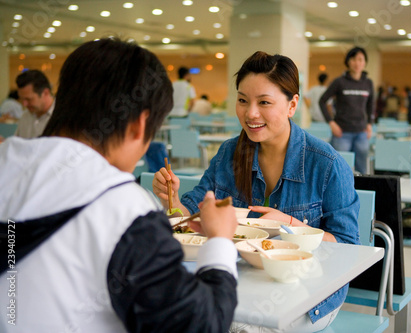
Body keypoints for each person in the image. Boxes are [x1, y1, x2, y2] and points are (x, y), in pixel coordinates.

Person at [0, 38, 239, 333]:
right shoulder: (126, 209)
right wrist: (220, 243)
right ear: (140, 125)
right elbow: (202, 325)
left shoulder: (7, 157)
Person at [153, 51, 360, 332]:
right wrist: (173, 199)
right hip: (245, 281)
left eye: (264, 102)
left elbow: (348, 248)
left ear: (292, 105)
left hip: (309, 295)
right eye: (242, 100)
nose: (250, 113)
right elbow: (194, 207)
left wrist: (288, 224)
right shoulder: (230, 152)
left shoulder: (326, 164)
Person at [318, 46, 374, 174]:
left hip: (361, 133)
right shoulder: (339, 82)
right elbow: (322, 101)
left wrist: (370, 124)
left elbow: (371, 105)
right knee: (339, 170)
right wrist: (331, 123)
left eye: (360, 59)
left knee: (362, 171)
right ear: (348, 61)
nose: (357, 63)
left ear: (365, 62)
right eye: (353, 59)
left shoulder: (368, 83)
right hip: (342, 133)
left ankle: (360, 194)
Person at [14, 69, 55, 138]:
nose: (24, 104)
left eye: (28, 99)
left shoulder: (62, 118)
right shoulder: (25, 117)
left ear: (45, 93)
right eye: (22, 99)